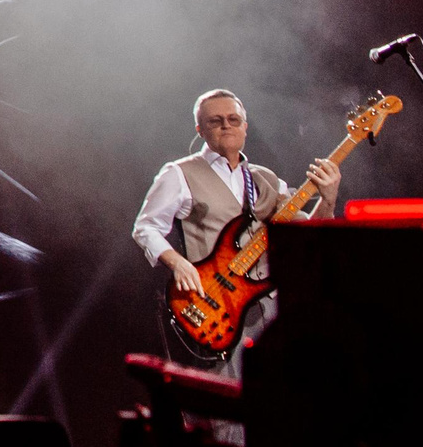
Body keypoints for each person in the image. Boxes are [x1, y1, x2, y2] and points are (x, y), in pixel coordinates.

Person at [131, 88, 340, 375]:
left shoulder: (265, 179)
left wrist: (328, 199)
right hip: (219, 307)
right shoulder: (179, 173)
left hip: (273, 305)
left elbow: (307, 234)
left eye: (233, 119)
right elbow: (146, 227)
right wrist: (178, 263)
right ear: (200, 129)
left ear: (245, 127)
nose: (226, 125)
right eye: (216, 121)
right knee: (232, 404)